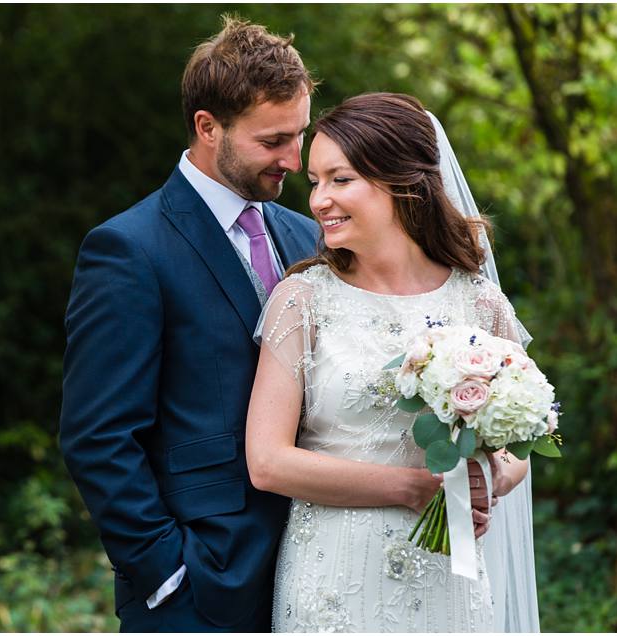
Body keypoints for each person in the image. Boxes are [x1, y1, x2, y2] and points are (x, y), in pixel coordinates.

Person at [59, 17, 319, 632]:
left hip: (315, 569)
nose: (295, 159)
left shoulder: (305, 236)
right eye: (274, 140)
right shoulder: (127, 250)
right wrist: (165, 573)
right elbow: (96, 435)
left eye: (301, 134)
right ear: (208, 127)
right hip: (198, 587)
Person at [245, 92, 538, 632]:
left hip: (451, 576)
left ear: (401, 182)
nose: (319, 201)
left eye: (341, 179)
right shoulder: (303, 300)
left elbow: (520, 442)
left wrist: (490, 476)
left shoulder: (479, 303)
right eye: (315, 182)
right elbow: (267, 462)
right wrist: (408, 487)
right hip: (333, 580)